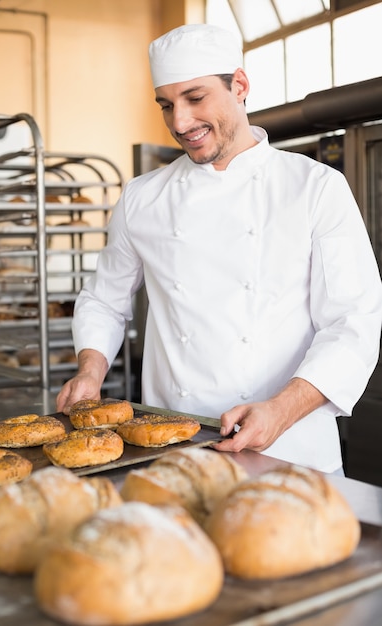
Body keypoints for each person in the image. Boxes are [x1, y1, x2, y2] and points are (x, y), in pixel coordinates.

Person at [57, 23, 382, 474]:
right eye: (166, 105)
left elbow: (354, 324)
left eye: (195, 98)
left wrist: (283, 409)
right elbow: (105, 300)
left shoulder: (315, 187)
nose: (179, 122)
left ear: (240, 85)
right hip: (173, 446)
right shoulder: (142, 197)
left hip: (291, 448)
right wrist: (90, 370)